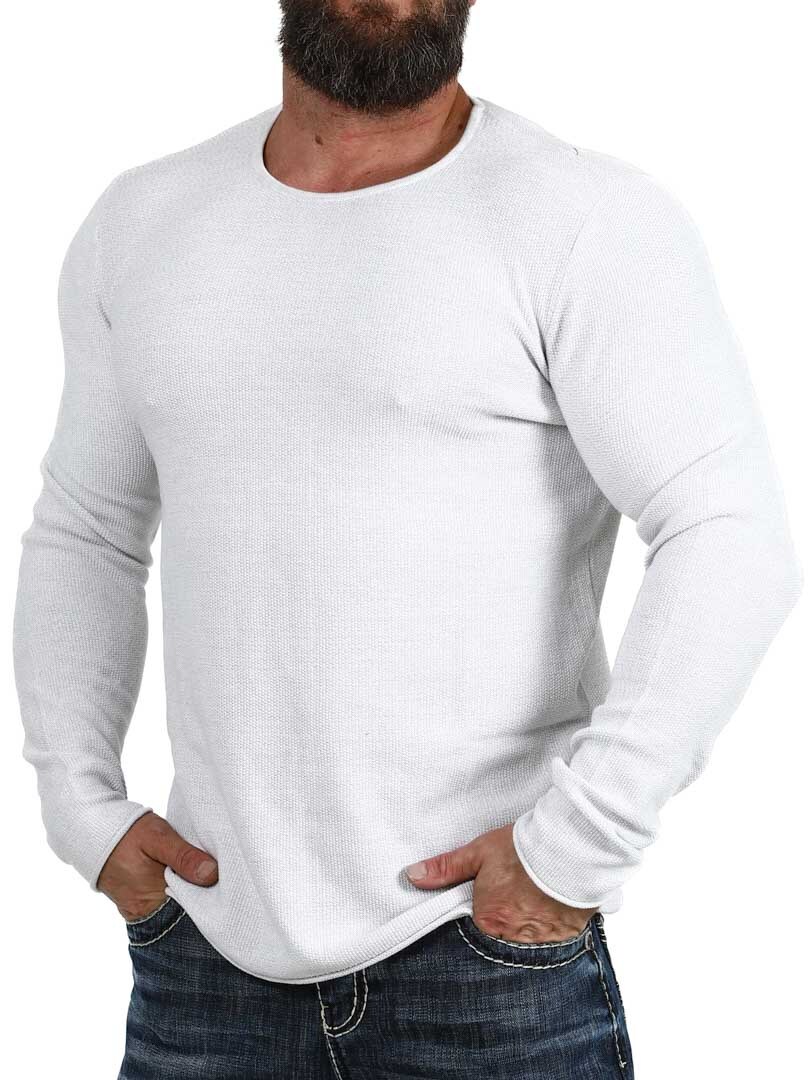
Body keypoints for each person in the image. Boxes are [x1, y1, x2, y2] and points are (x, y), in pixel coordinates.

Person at [12, 2, 802, 1077]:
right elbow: (88, 529)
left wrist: (575, 849)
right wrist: (81, 810)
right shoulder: (145, 220)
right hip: (206, 953)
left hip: (484, 954)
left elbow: (727, 530)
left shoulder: (583, 217)